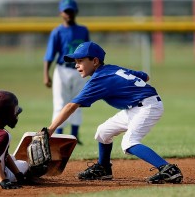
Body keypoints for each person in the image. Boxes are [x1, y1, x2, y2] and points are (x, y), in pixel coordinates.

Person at [47, 41, 183, 184]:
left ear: (94, 61)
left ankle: (168, 169)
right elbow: (145, 76)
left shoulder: (99, 79)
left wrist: (51, 129)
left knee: (129, 142)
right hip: (136, 107)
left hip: (147, 106)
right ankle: (104, 168)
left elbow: (70, 106)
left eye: (80, 61)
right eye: (75, 61)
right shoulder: (111, 69)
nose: (76, 65)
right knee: (103, 132)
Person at [43, 0, 90, 145]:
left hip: (79, 70)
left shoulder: (83, 30)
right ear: (61, 13)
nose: (68, 14)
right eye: (66, 11)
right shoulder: (57, 32)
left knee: (78, 102)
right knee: (60, 103)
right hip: (62, 69)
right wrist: (46, 74)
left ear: (76, 12)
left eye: (70, 11)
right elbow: (50, 55)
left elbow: (88, 51)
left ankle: (74, 137)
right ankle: (58, 136)